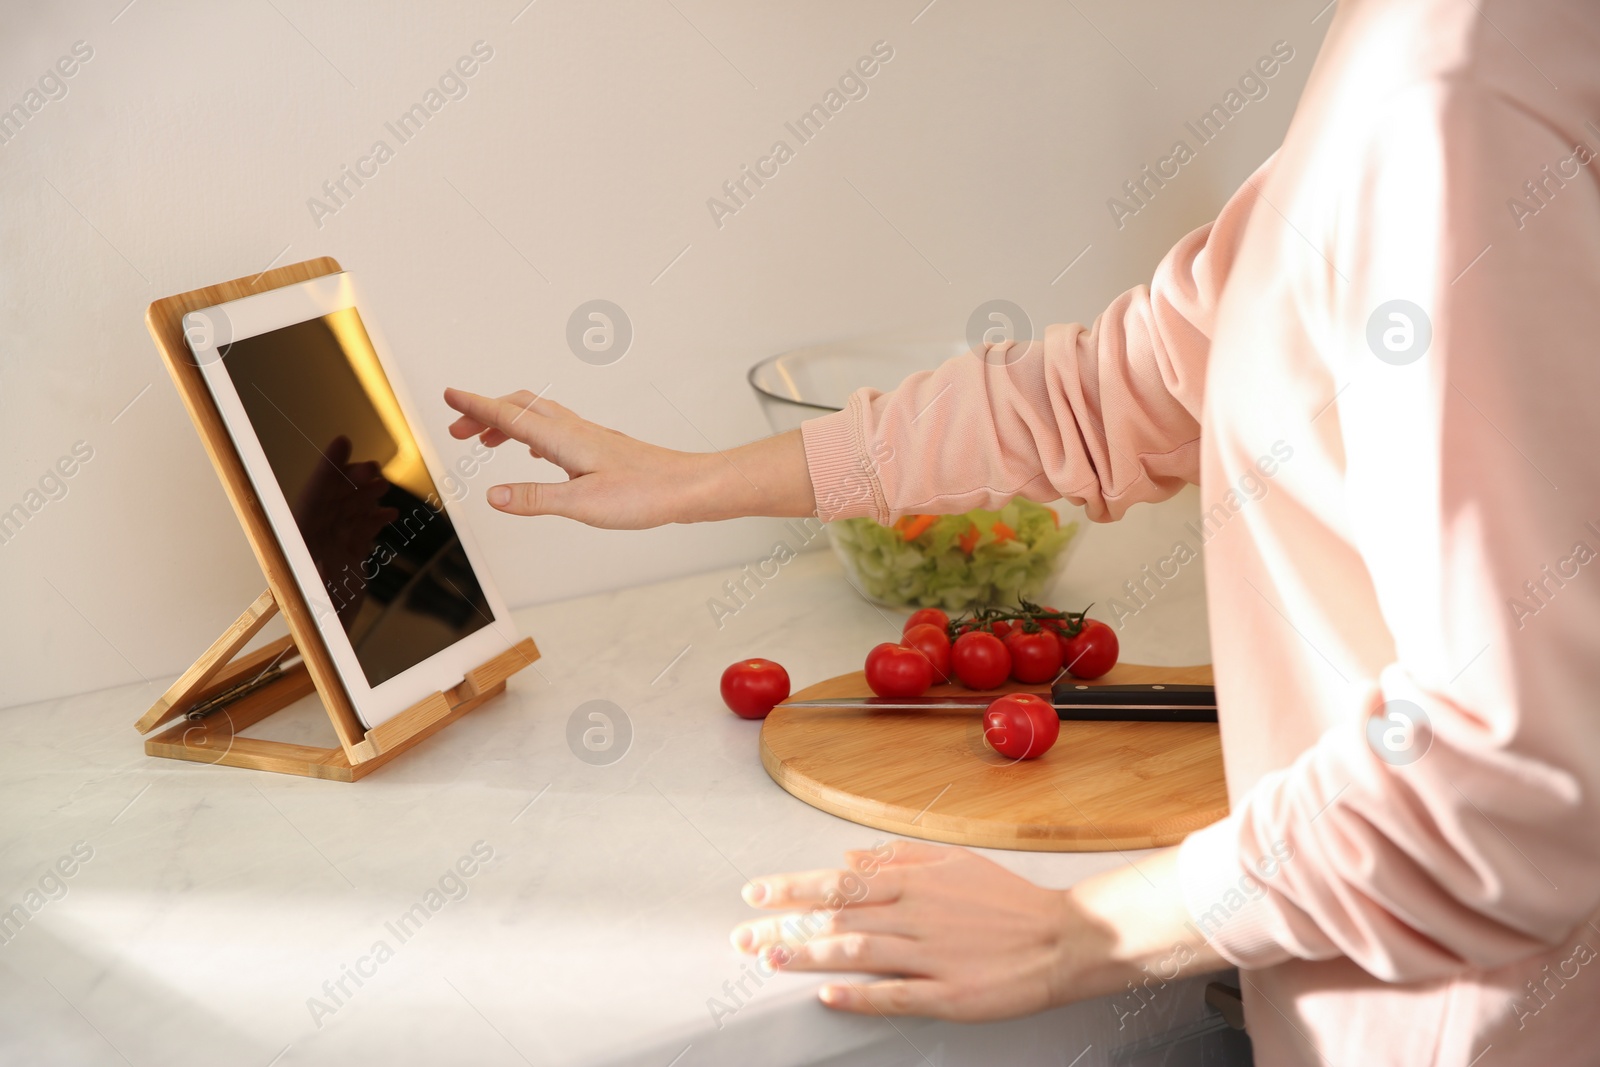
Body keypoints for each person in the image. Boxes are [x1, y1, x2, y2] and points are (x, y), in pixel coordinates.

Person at [442, 1, 1600, 1062]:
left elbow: (1511, 777)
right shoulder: (1430, 46)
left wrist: (1075, 931)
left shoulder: (1459, 93)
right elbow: (1140, 375)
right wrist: (690, 480)